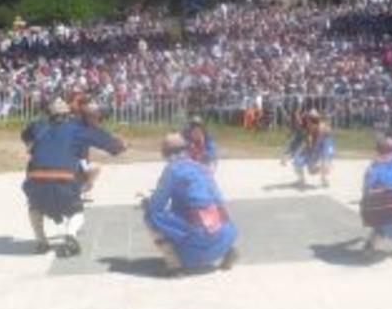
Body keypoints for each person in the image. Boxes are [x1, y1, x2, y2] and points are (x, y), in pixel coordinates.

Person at [21, 98, 126, 255]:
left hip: (36, 178)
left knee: (34, 207)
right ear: (68, 114)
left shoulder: (37, 126)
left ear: (47, 113)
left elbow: (25, 137)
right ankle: (70, 235)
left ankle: (41, 242)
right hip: (64, 179)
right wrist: (120, 145)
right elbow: (112, 146)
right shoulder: (78, 129)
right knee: (76, 211)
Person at [141, 133, 239, 277]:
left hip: (196, 250)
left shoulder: (172, 170)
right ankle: (228, 250)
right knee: (212, 212)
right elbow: (218, 199)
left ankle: (174, 266)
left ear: (165, 152)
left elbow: (157, 204)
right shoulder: (201, 168)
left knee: (151, 215)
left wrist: (146, 202)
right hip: (224, 237)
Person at [287, 109, 334, 187]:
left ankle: (324, 178)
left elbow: (323, 142)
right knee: (298, 162)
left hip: (323, 145)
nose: (307, 122)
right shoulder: (309, 128)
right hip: (314, 147)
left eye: (309, 120)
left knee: (324, 162)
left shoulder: (323, 129)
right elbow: (307, 142)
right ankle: (301, 180)